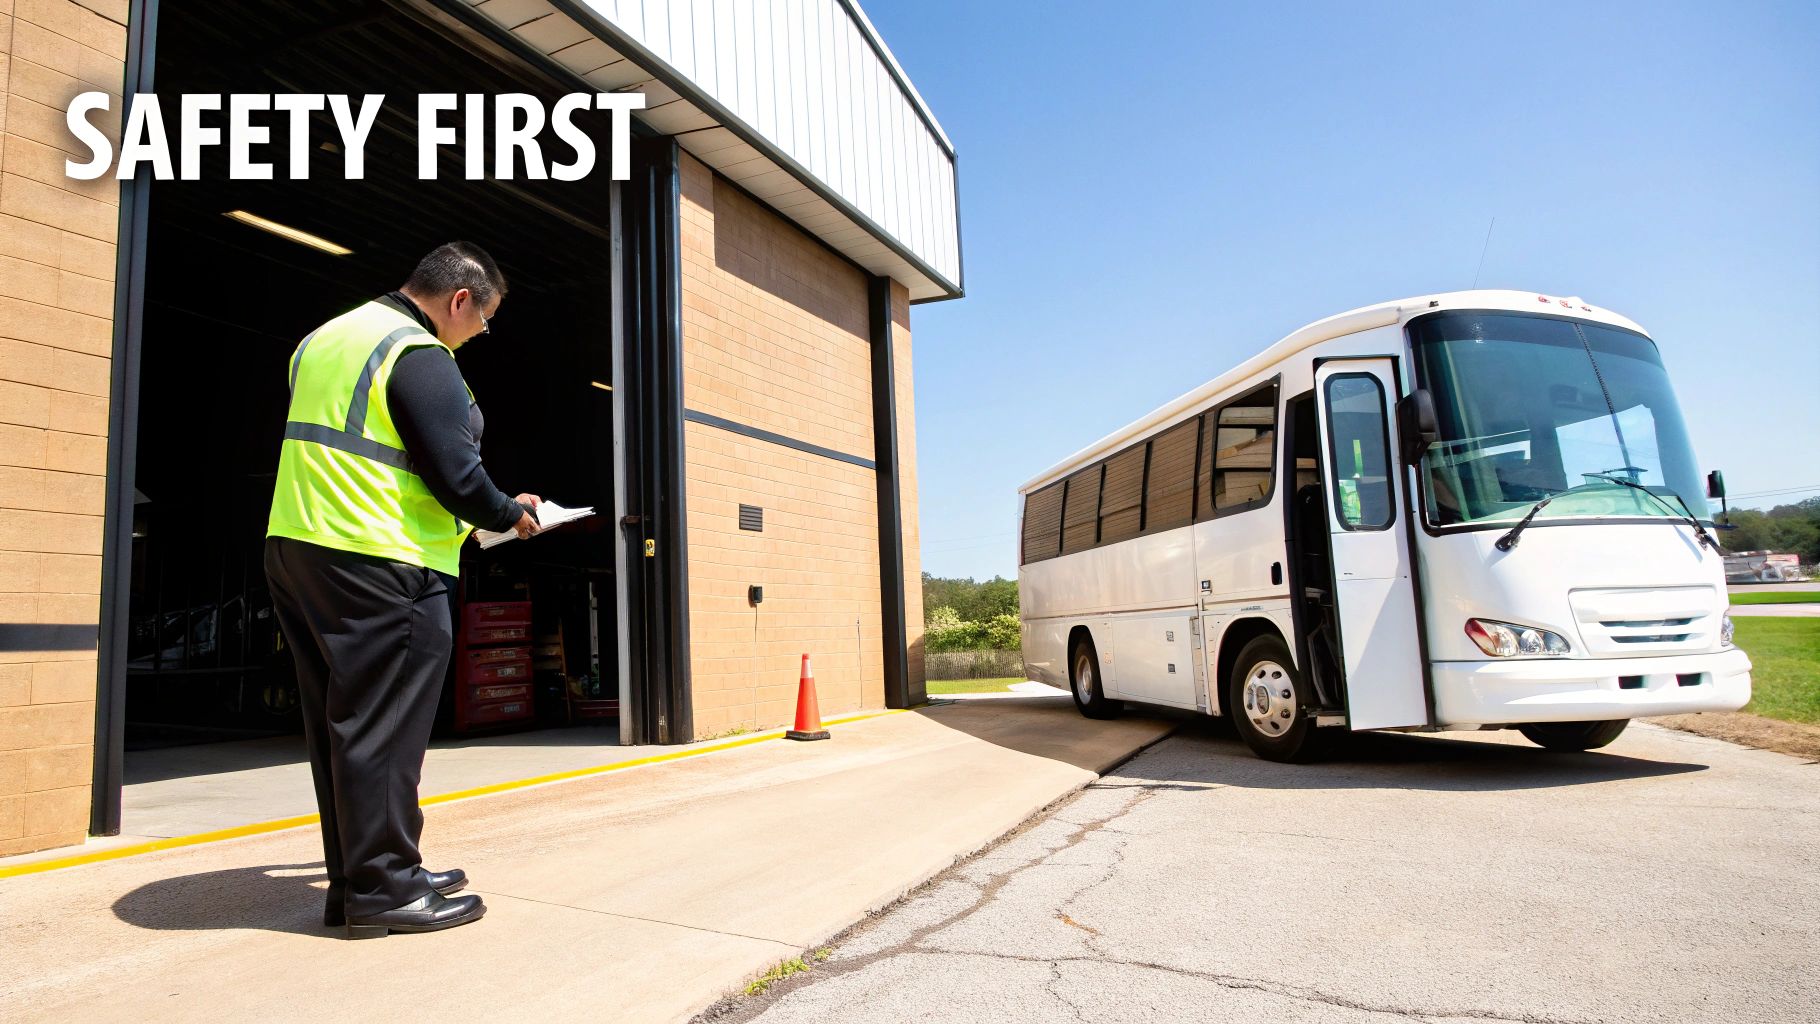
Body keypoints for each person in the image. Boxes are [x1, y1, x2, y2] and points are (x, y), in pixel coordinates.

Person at [264, 241, 540, 938]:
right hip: (381, 561)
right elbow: (455, 473)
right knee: (384, 730)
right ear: (459, 301)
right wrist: (510, 513)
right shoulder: (417, 355)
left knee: (344, 729)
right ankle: (386, 890)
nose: (480, 335)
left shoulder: (327, 338)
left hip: (301, 547)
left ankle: (363, 877)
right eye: (483, 321)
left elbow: (378, 453)